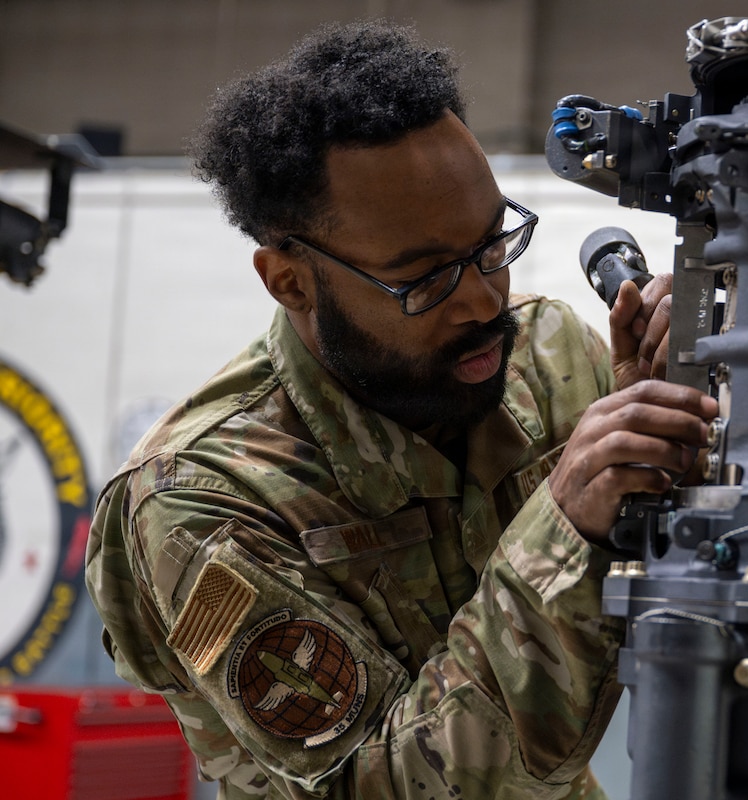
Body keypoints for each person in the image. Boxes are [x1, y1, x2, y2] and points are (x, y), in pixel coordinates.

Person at [84, 20, 715, 800]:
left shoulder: (550, 355)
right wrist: (567, 524)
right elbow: (381, 786)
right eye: (424, 279)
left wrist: (666, 439)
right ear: (291, 282)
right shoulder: (199, 503)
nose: (486, 300)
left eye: (491, 247)